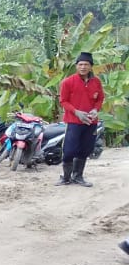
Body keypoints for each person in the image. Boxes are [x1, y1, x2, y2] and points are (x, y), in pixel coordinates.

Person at [56, 52, 104, 187]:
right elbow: (63, 101)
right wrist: (76, 112)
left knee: (85, 149)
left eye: (86, 64)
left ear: (91, 67)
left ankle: (78, 176)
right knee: (69, 150)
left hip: (91, 122)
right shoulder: (68, 82)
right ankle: (66, 177)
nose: (83, 67)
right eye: (80, 64)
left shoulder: (96, 82)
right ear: (76, 66)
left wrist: (95, 109)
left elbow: (100, 98)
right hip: (74, 121)